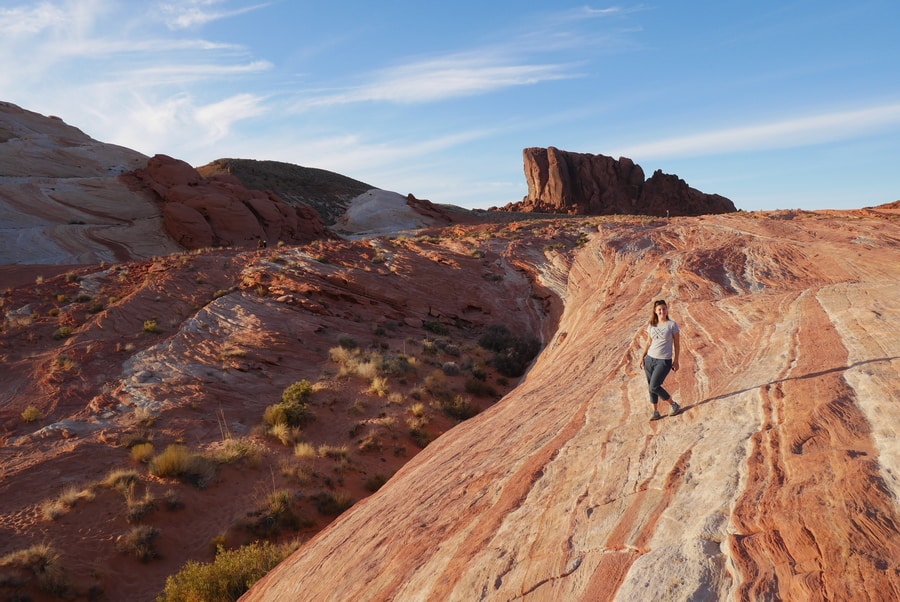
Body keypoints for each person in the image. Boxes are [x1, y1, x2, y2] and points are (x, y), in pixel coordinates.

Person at [638, 299, 681, 420]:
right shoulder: (652, 325)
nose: (662, 311)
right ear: (655, 311)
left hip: (664, 360)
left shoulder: (672, 325)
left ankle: (674, 405)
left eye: (664, 308)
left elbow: (677, 344)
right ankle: (655, 412)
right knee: (650, 386)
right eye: (659, 309)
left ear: (667, 310)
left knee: (654, 386)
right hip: (650, 359)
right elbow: (648, 342)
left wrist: (676, 360)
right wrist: (642, 356)